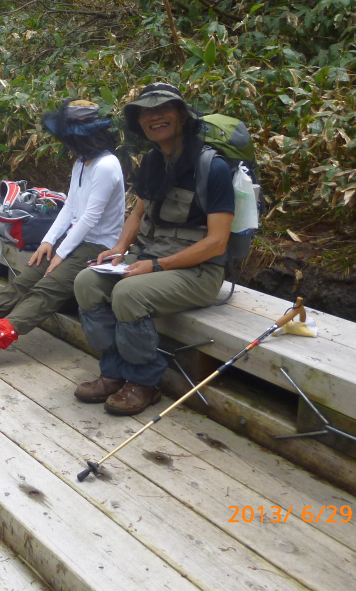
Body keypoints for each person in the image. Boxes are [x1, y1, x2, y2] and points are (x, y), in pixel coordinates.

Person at [71, 83, 234, 416]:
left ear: (182, 115)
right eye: (146, 112)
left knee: (128, 294)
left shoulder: (211, 167)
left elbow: (218, 241)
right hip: (152, 259)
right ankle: (114, 372)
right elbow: (139, 212)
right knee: (86, 282)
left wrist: (157, 265)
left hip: (199, 272)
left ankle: (145, 382)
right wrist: (119, 248)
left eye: (163, 110)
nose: (155, 118)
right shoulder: (153, 160)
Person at [0, 100, 126, 366]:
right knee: (28, 277)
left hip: (99, 246)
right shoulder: (81, 163)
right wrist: (49, 241)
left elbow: (90, 217)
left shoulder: (107, 165)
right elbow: (71, 207)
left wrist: (60, 253)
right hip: (75, 238)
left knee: (48, 287)